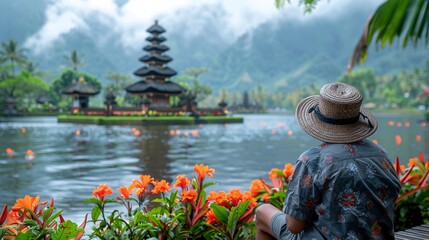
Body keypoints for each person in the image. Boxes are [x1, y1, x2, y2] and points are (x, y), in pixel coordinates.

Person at [255, 82, 401, 239]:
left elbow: (294, 226)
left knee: (262, 212)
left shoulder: (312, 160)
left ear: (319, 121)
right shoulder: (381, 154)